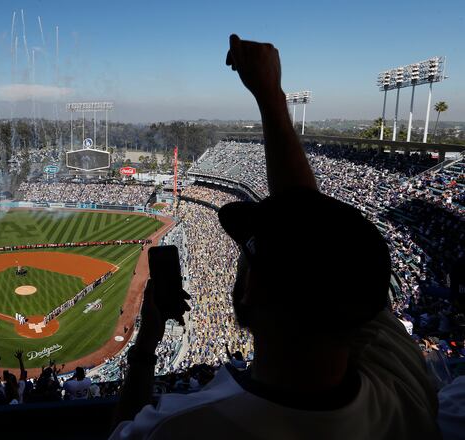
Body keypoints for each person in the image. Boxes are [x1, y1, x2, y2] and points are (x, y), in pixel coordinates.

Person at [110, 34, 440, 439]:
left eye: (245, 259)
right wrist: (270, 96)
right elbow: (311, 233)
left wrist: (145, 349)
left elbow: (123, 428)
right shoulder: (405, 388)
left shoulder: (181, 427)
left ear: (253, 292)